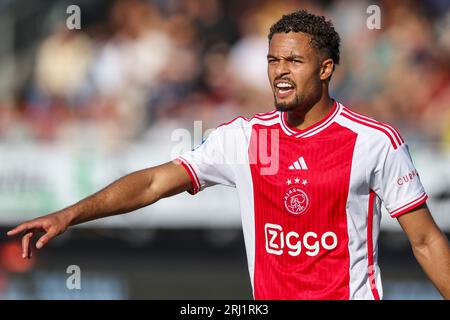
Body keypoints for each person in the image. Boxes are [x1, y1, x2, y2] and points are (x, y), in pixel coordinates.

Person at [7, 10, 450, 300]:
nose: (279, 71)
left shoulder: (375, 141)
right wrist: (68, 216)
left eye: (293, 61)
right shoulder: (244, 137)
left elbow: (426, 240)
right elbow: (153, 182)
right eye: (273, 60)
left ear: (326, 68)